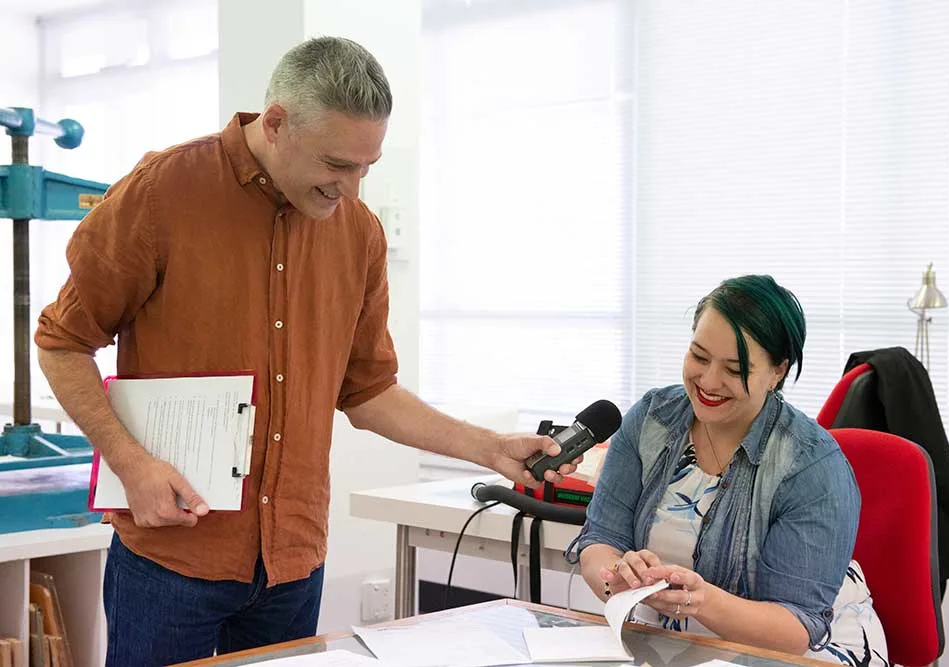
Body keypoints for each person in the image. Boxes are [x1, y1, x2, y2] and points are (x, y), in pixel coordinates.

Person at [35, 37, 576, 666]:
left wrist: (488, 449)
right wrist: (130, 462)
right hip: (170, 559)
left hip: (292, 561)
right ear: (276, 122)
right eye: (335, 164)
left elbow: (369, 393)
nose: (349, 188)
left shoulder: (358, 233)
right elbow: (62, 343)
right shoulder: (161, 193)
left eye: (364, 168)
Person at [573, 275, 889, 665]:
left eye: (734, 368)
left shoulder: (812, 465)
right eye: (700, 357)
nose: (708, 381)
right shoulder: (652, 420)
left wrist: (703, 601)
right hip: (672, 645)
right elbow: (600, 540)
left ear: (777, 372)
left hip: (803, 654)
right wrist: (616, 575)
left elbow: (796, 630)